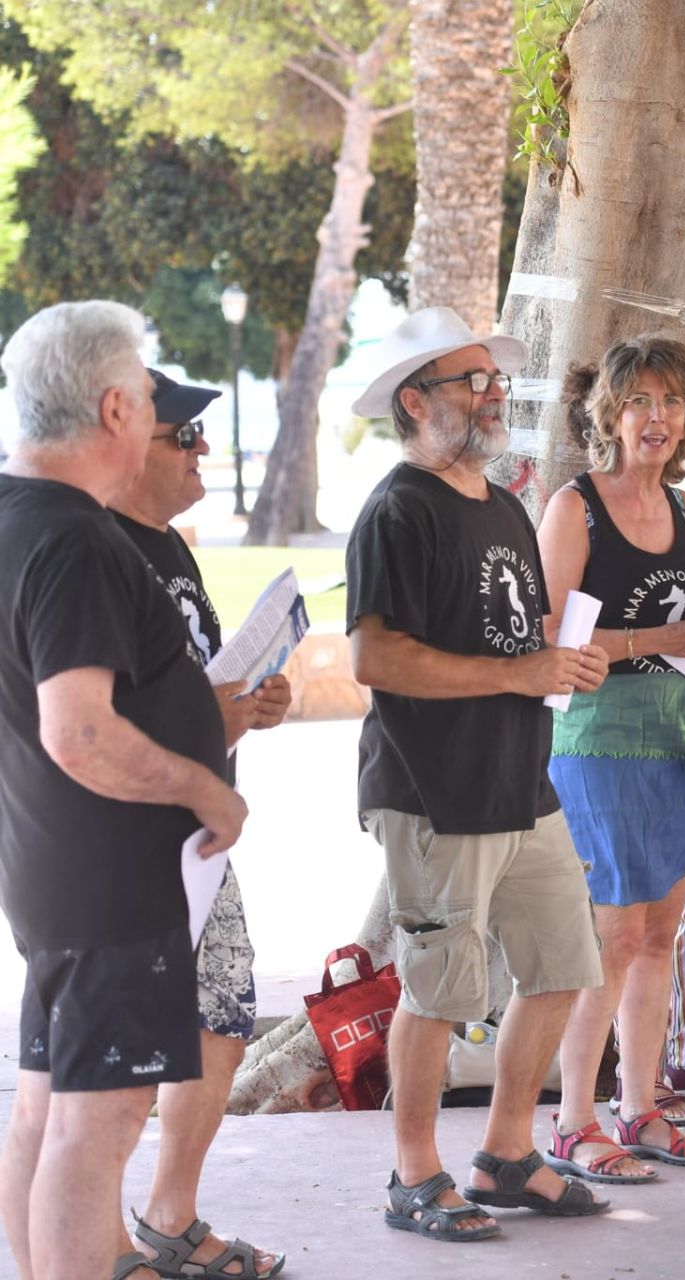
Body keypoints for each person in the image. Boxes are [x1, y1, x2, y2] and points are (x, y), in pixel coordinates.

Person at [344, 306, 613, 1243]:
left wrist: (562, 656)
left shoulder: (500, 503)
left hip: (520, 780)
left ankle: (505, 1155)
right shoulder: (395, 510)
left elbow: (510, 633)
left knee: (560, 965)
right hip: (433, 791)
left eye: (497, 381)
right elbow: (375, 659)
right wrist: (520, 671)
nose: (495, 395)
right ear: (417, 401)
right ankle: (414, 1175)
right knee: (438, 987)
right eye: (474, 381)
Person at [0, 301, 245, 1280]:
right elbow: (80, 729)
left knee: (50, 1109)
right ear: (112, 408)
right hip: (111, 884)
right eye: (149, 397)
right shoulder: (75, 540)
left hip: (60, 875)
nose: (154, 416)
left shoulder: (22, 513)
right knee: (93, 1133)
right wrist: (205, 788)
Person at [539, 338, 685, 1178]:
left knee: (659, 935)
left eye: (673, 402)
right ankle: (573, 1124)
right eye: (641, 401)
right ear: (610, 414)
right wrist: (658, 638)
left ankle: (638, 1107)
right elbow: (548, 637)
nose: (658, 418)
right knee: (610, 936)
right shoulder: (576, 507)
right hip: (603, 740)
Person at [111, 371, 293, 1278]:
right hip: (123, 844)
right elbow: (92, 723)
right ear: (124, 442)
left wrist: (252, 703)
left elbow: (195, 682)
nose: (202, 452)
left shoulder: (173, 549)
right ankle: (98, 1242)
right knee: (114, 1050)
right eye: (183, 438)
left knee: (221, 1015)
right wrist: (217, 723)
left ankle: (169, 1219)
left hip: (198, 838)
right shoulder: (90, 549)